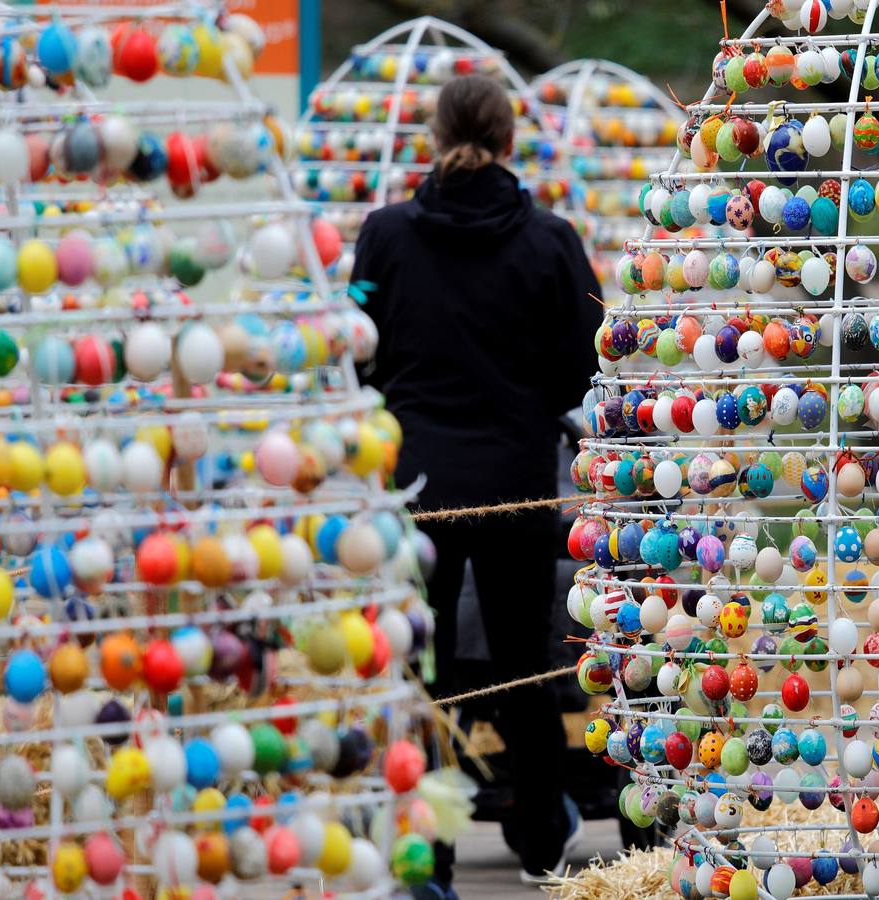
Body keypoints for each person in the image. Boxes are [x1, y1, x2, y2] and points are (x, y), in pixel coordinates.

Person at [350, 74, 600, 892]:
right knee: (520, 663)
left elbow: (361, 352)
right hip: (515, 482)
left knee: (422, 674)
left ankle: (431, 855)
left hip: (413, 483)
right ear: (507, 141)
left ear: (432, 135)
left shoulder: (384, 237)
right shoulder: (551, 241)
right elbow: (579, 367)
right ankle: (537, 840)